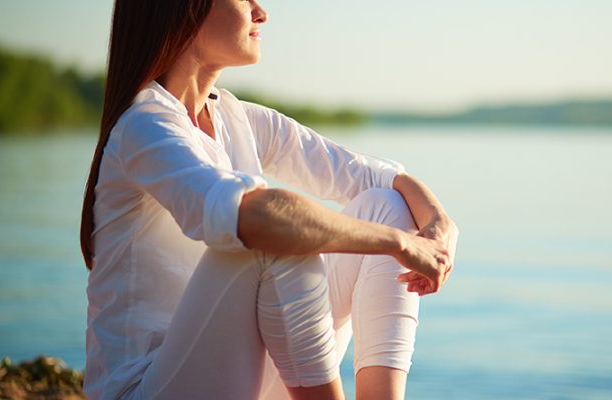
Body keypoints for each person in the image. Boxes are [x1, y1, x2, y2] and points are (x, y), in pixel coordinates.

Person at [79, 0, 459, 399]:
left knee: (385, 206)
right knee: (272, 236)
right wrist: (397, 243)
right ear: (183, 10)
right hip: (150, 388)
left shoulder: (234, 118)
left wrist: (438, 223)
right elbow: (257, 217)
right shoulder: (145, 125)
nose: (261, 12)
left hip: (237, 376)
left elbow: (379, 177)